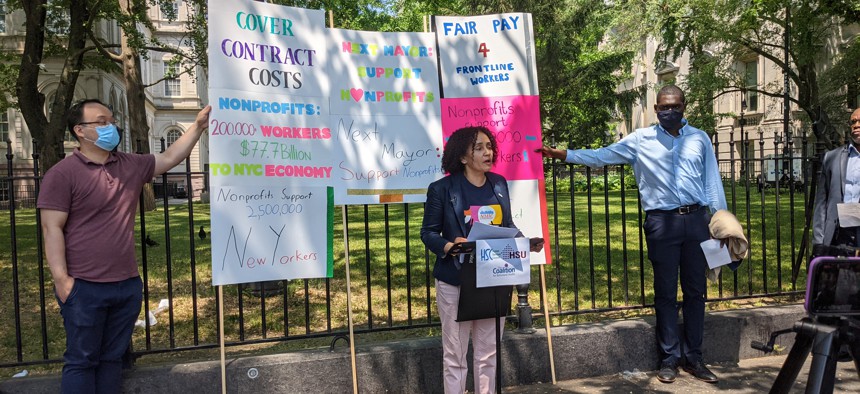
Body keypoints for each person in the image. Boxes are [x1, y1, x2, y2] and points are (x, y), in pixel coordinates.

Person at [537, 85, 726, 384]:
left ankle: (695, 358)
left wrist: (721, 222)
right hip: (662, 224)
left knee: (695, 292)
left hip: (697, 222)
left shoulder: (699, 138)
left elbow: (712, 183)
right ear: (655, 108)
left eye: (675, 106)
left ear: (684, 106)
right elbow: (603, 156)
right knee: (665, 293)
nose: (669, 112)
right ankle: (669, 358)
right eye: (664, 107)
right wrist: (564, 154)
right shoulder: (641, 140)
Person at [37, 99, 211, 393]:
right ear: (80, 130)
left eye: (112, 120)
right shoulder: (62, 174)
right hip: (83, 286)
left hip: (126, 285)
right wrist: (62, 280)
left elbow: (169, 157)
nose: (111, 126)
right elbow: (50, 228)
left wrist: (197, 126)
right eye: (102, 121)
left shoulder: (129, 165)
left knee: (112, 359)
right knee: (82, 360)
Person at [421, 126, 543, 394]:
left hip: (493, 279)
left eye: (489, 146)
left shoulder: (498, 183)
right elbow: (428, 233)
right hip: (456, 280)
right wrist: (449, 245)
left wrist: (524, 242)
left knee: (488, 353)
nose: (487, 152)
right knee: (455, 356)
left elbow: (507, 224)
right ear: (463, 157)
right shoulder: (442, 189)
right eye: (479, 147)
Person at [812, 107, 860, 256]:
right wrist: (819, 241)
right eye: (853, 121)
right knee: (841, 278)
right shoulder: (832, 158)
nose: (856, 125)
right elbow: (821, 203)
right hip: (839, 235)